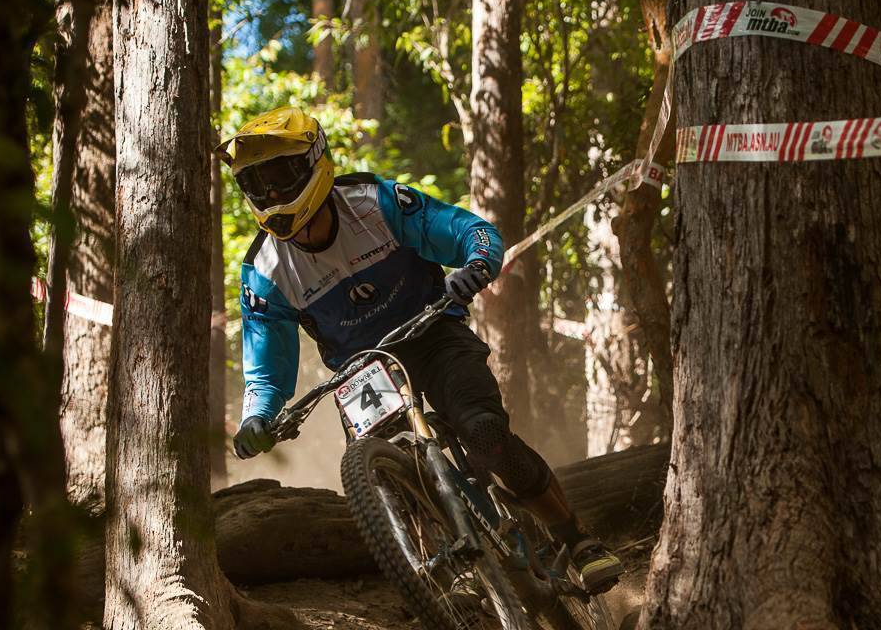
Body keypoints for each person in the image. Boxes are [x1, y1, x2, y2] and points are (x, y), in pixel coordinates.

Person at [217, 106, 623, 593]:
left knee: (483, 432)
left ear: (315, 163)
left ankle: (577, 540)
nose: (274, 195)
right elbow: (266, 364)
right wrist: (257, 417)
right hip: (363, 373)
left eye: (282, 176)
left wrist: (476, 264)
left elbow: (469, 231)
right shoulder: (264, 269)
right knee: (383, 473)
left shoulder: (374, 203)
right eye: (258, 184)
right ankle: (448, 578)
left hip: (431, 333)